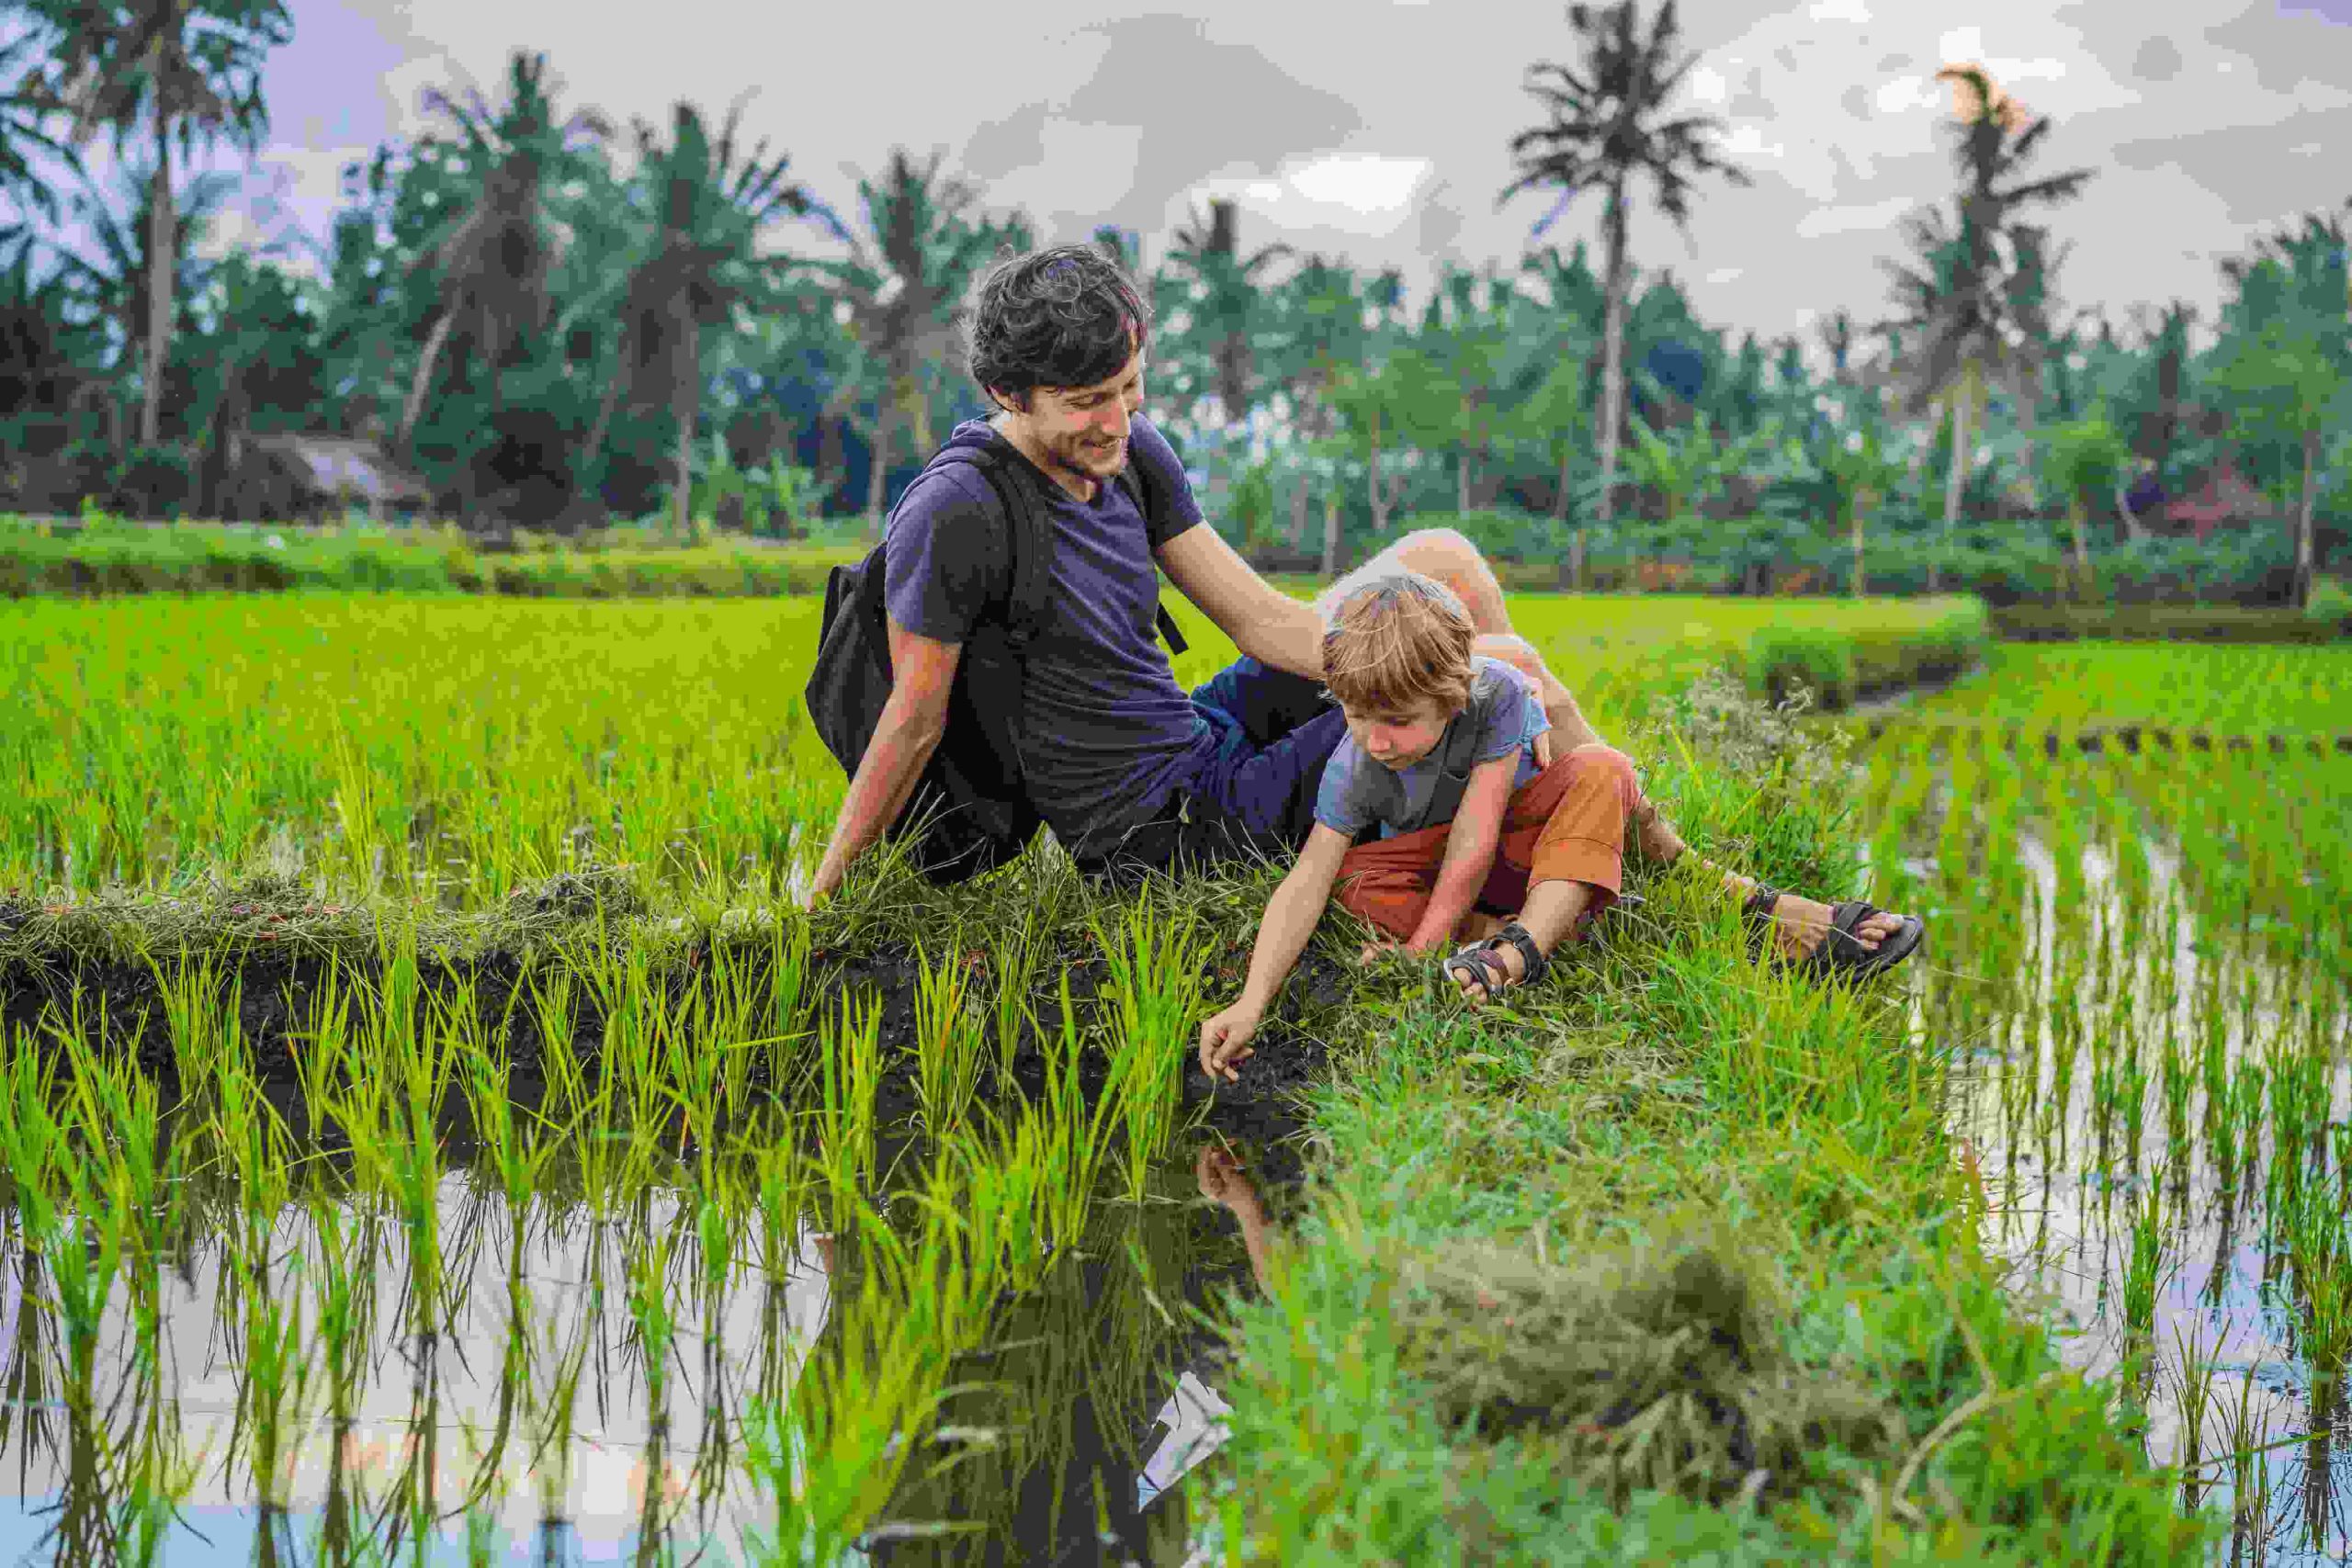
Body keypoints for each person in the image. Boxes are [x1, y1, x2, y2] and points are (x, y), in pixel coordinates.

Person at [802, 242, 1916, 978]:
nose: (1116, 423)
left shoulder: (1133, 456)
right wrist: (820, 902)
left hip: (1203, 735)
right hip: (1165, 831)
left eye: (1131, 390)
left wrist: (1417, 657)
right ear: (1005, 394)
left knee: (1446, 565)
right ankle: (1722, 895)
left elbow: (1263, 625)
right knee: (1504, 669)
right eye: (1086, 404)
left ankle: (1541, 807)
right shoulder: (960, 511)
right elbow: (911, 717)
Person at [1194, 573, 1922, 1081]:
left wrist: (1423, 947)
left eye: (1396, 722)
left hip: (1513, 847)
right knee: (1354, 879)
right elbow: (1308, 879)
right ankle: (1575, 916)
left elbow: (1478, 837)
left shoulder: (1499, 694)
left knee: (1604, 770)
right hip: (1461, 866)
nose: (1374, 739)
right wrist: (1251, 1002)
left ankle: (1520, 950)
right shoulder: (1357, 759)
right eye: (1357, 717)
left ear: (1454, 696)